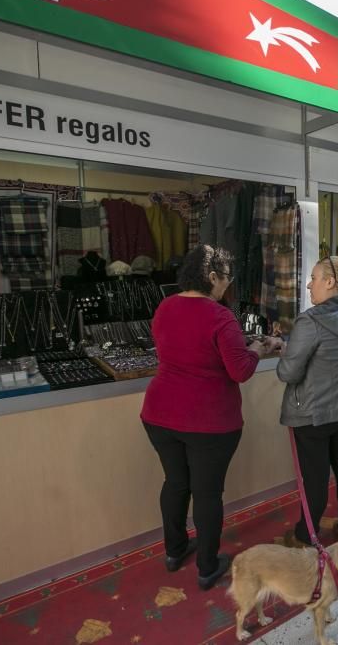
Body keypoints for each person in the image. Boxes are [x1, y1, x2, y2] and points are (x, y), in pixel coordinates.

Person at [140, 245, 273, 588]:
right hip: (209, 422)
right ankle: (207, 567)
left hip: (159, 414)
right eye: (226, 279)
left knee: (175, 483)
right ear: (212, 277)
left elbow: (179, 352)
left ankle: (174, 551)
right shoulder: (219, 317)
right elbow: (240, 371)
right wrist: (259, 348)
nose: (227, 286)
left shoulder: (165, 307)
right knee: (207, 493)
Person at [275, 256, 338, 547]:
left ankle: (307, 535)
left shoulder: (311, 320)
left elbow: (288, 372)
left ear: (329, 282)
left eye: (314, 278)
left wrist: (284, 354)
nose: (308, 284)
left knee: (314, 478)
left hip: (314, 413)